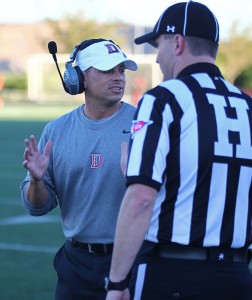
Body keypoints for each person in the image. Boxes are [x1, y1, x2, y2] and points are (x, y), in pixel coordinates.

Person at [105, 1, 252, 300]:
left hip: (173, 274)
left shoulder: (163, 99)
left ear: (178, 42)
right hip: (237, 277)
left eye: (158, 45)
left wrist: (117, 282)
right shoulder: (247, 106)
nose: (157, 58)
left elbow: (141, 199)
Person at [20, 38, 137, 300]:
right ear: (77, 77)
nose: (118, 77)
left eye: (121, 70)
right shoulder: (55, 130)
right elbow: (37, 206)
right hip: (76, 264)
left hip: (134, 259)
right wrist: (37, 181)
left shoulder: (145, 123)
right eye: (107, 70)